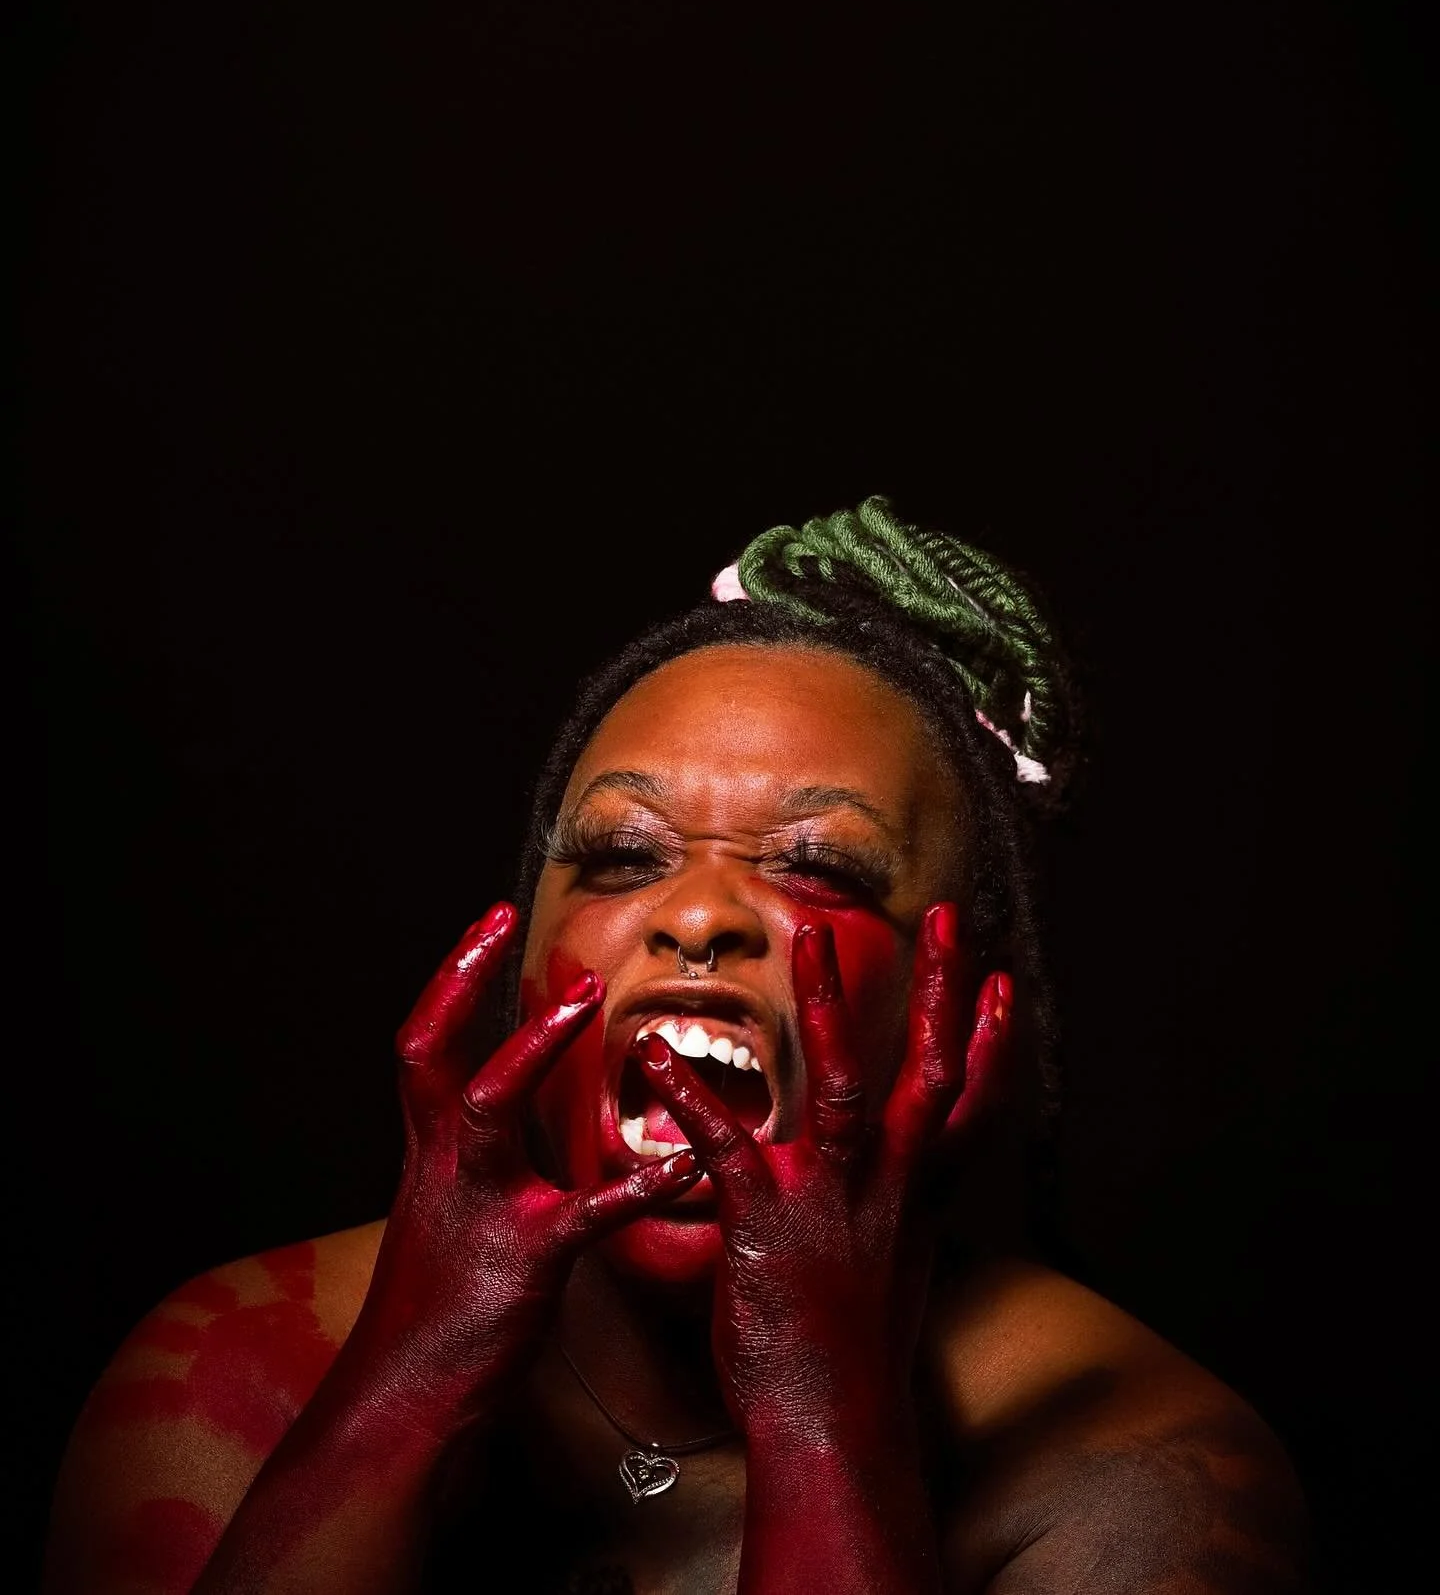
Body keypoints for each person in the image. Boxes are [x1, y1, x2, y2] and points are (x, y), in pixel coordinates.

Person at [43, 498, 1308, 1593]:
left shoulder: (1135, 1462)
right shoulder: (239, 1360)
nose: (697, 913)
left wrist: (825, 1417)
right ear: (526, 952)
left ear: (965, 1022)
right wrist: (414, 1373)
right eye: (622, 856)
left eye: (819, 865)